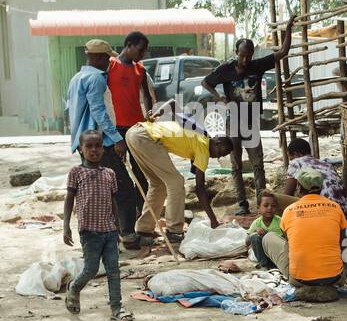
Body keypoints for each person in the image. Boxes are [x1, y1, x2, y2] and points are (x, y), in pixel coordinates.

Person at [201, 28, 293, 214]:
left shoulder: (257, 66)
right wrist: (219, 97)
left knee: (258, 162)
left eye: (249, 55)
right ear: (237, 53)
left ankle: (261, 201)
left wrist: (289, 29)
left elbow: (283, 52)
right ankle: (242, 203)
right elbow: (206, 82)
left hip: (251, 122)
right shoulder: (225, 69)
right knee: (236, 165)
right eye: (242, 55)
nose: (245, 60)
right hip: (232, 122)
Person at [67, 39, 144, 248]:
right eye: (108, 58)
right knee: (124, 188)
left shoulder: (77, 78)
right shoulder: (97, 78)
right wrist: (117, 139)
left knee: (102, 190)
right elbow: (99, 112)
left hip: (83, 142)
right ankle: (127, 235)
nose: (110, 63)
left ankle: (111, 235)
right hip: (99, 143)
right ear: (100, 57)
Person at [125, 104, 230, 242]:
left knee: (158, 184)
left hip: (134, 132)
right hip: (146, 137)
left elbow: (173, 103)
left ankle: (144, 229)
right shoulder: (204, 148)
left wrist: (157, 112)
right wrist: (213, 220)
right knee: (176, 181)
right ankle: (174, 230)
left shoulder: (198, 130)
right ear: (216, 142)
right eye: (221, 152)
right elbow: (200, 189)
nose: (217, 157)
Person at [265, 169, 347, 300]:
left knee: (269, 237)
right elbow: (342, 242)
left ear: (299, 187)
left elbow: (288, 244)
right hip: (333, 278)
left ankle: (299, 276)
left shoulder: (288, 211)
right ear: (321, 187)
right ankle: (333, 278)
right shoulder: (335, 207)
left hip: (299, 279)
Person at [61, 131, 131, 321]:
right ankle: (74, 288)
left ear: (103, 149)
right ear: (81, 150)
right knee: (91, 269)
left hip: (109, 230)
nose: (94, 150)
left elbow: (113, 202)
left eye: (98, 146)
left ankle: (117, 308)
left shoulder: (109, 173)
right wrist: (66, 225)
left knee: (113, 269)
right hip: (89, 231)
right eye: (89, 146)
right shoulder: (77, 172)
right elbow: (69, 199)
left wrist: (118, 227)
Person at [106, 31, 154, 236]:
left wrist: (149, 112)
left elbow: (147, 94)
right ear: (129, 45)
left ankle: (138, 221)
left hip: (136, 129)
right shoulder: (110, 65)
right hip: (116, 129)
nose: (142, 54)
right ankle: (119, 225)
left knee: (142, 177)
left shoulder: (140, 69)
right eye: (140, 49)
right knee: (120, 180)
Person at [283, 138, 347, 211]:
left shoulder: (296, 162)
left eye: (291, 158)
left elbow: (288, 194)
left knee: (276, 200)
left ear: (296, 154)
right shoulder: (326, 164)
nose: (291, 160)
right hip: (342, 209)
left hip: (322, 209)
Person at [247, 190, 284, 270]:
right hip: (262, 254)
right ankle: (264, 265)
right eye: (266, 205)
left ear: (276, 208)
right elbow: (247, 242)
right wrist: (255, 231)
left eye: (273, 206)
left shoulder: (280, 222)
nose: (270, 208)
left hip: (276, 254)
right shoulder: (257, 223)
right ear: (258, 208)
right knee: (255, 237)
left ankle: (275, 264)